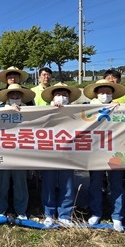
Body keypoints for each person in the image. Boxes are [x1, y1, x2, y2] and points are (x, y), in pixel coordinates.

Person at [82, 78, 125, 232]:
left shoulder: (120, 108)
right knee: (95, 184)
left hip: (115, 152)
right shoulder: (86, 108)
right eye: (101, 92)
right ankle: (96, 212)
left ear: (113, 94)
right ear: (96, 94)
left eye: (108, 92)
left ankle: (117, 216)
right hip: (95, 152)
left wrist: (122, 109)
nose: (104, 95)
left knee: (116, 185)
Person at [40, 83, 80, 227]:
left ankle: (65, 214)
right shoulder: (44, 110)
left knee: (67, 184)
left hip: (68, 154)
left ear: (69, 98)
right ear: (52, 97)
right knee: (48, 184)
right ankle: (49, 213)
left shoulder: (77, 111)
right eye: (58, 94)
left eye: (65, 95)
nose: (61, 97)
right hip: (49, 153)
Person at [0, 84, 35, 219]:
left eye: (18, 96)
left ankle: (21, 210)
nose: (15, 98)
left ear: (22, 97)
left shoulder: (30, 110)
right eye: (12, 96)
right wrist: (8, 110)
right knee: (2, 182)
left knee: (20, 182)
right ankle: (1, 208)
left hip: (21, 152)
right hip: (3, 151)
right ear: (7, 97)